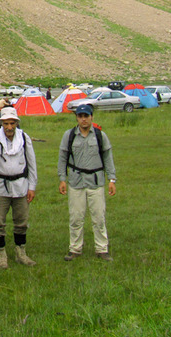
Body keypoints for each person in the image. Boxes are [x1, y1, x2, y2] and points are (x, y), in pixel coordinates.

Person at [57, 104, 117, 261]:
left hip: (96, 183)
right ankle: (75, 249)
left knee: (99, 217)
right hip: (76, 182)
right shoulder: (69, 136)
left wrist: (112, 179)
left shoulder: (100, 136)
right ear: (77, 118)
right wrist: (62, 178)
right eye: (80, 116)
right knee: (76, 217)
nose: (83, 119)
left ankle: (102, 249)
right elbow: (63, 158)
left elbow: (107, 158)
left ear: (91, 117)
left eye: (86, 116)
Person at [0, 107, 37, 269]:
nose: (9, 127)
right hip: (0, 187)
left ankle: (21, 252)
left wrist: (32, 186)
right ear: (1, 124)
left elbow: (31, 163)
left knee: (21, 221)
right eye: (6, 123)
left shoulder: (24, 139)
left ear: (16, 123)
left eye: (12, 123)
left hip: (21, 186)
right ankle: (1, 253)